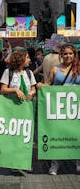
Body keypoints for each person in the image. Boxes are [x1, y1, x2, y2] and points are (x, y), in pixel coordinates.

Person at [37, 44, 80, 175]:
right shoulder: (55, 70)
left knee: (76, 134)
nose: (68, 56)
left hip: (75, 110)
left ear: (74, 55)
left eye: (70, 54)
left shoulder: (79, 68)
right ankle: (55, 164)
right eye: (65, 54)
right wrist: (40, 85)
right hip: (58, 110)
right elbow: (48, 84)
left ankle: (78, 161)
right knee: (57, 134)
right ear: (61, 55)